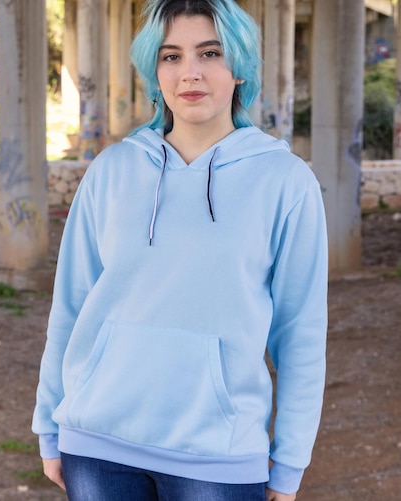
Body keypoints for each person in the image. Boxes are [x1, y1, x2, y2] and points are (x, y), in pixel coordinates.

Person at [32, 0, 328, 499]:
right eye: (171, 57)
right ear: (155, 71)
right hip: (98, 445)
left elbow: (300, 330)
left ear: (239, 69)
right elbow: (71, 305)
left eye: (209, 53)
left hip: (218, 455)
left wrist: (290, 459)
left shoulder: (285, 181)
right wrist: (49, 421)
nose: (189, 73)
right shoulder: (111, 171)